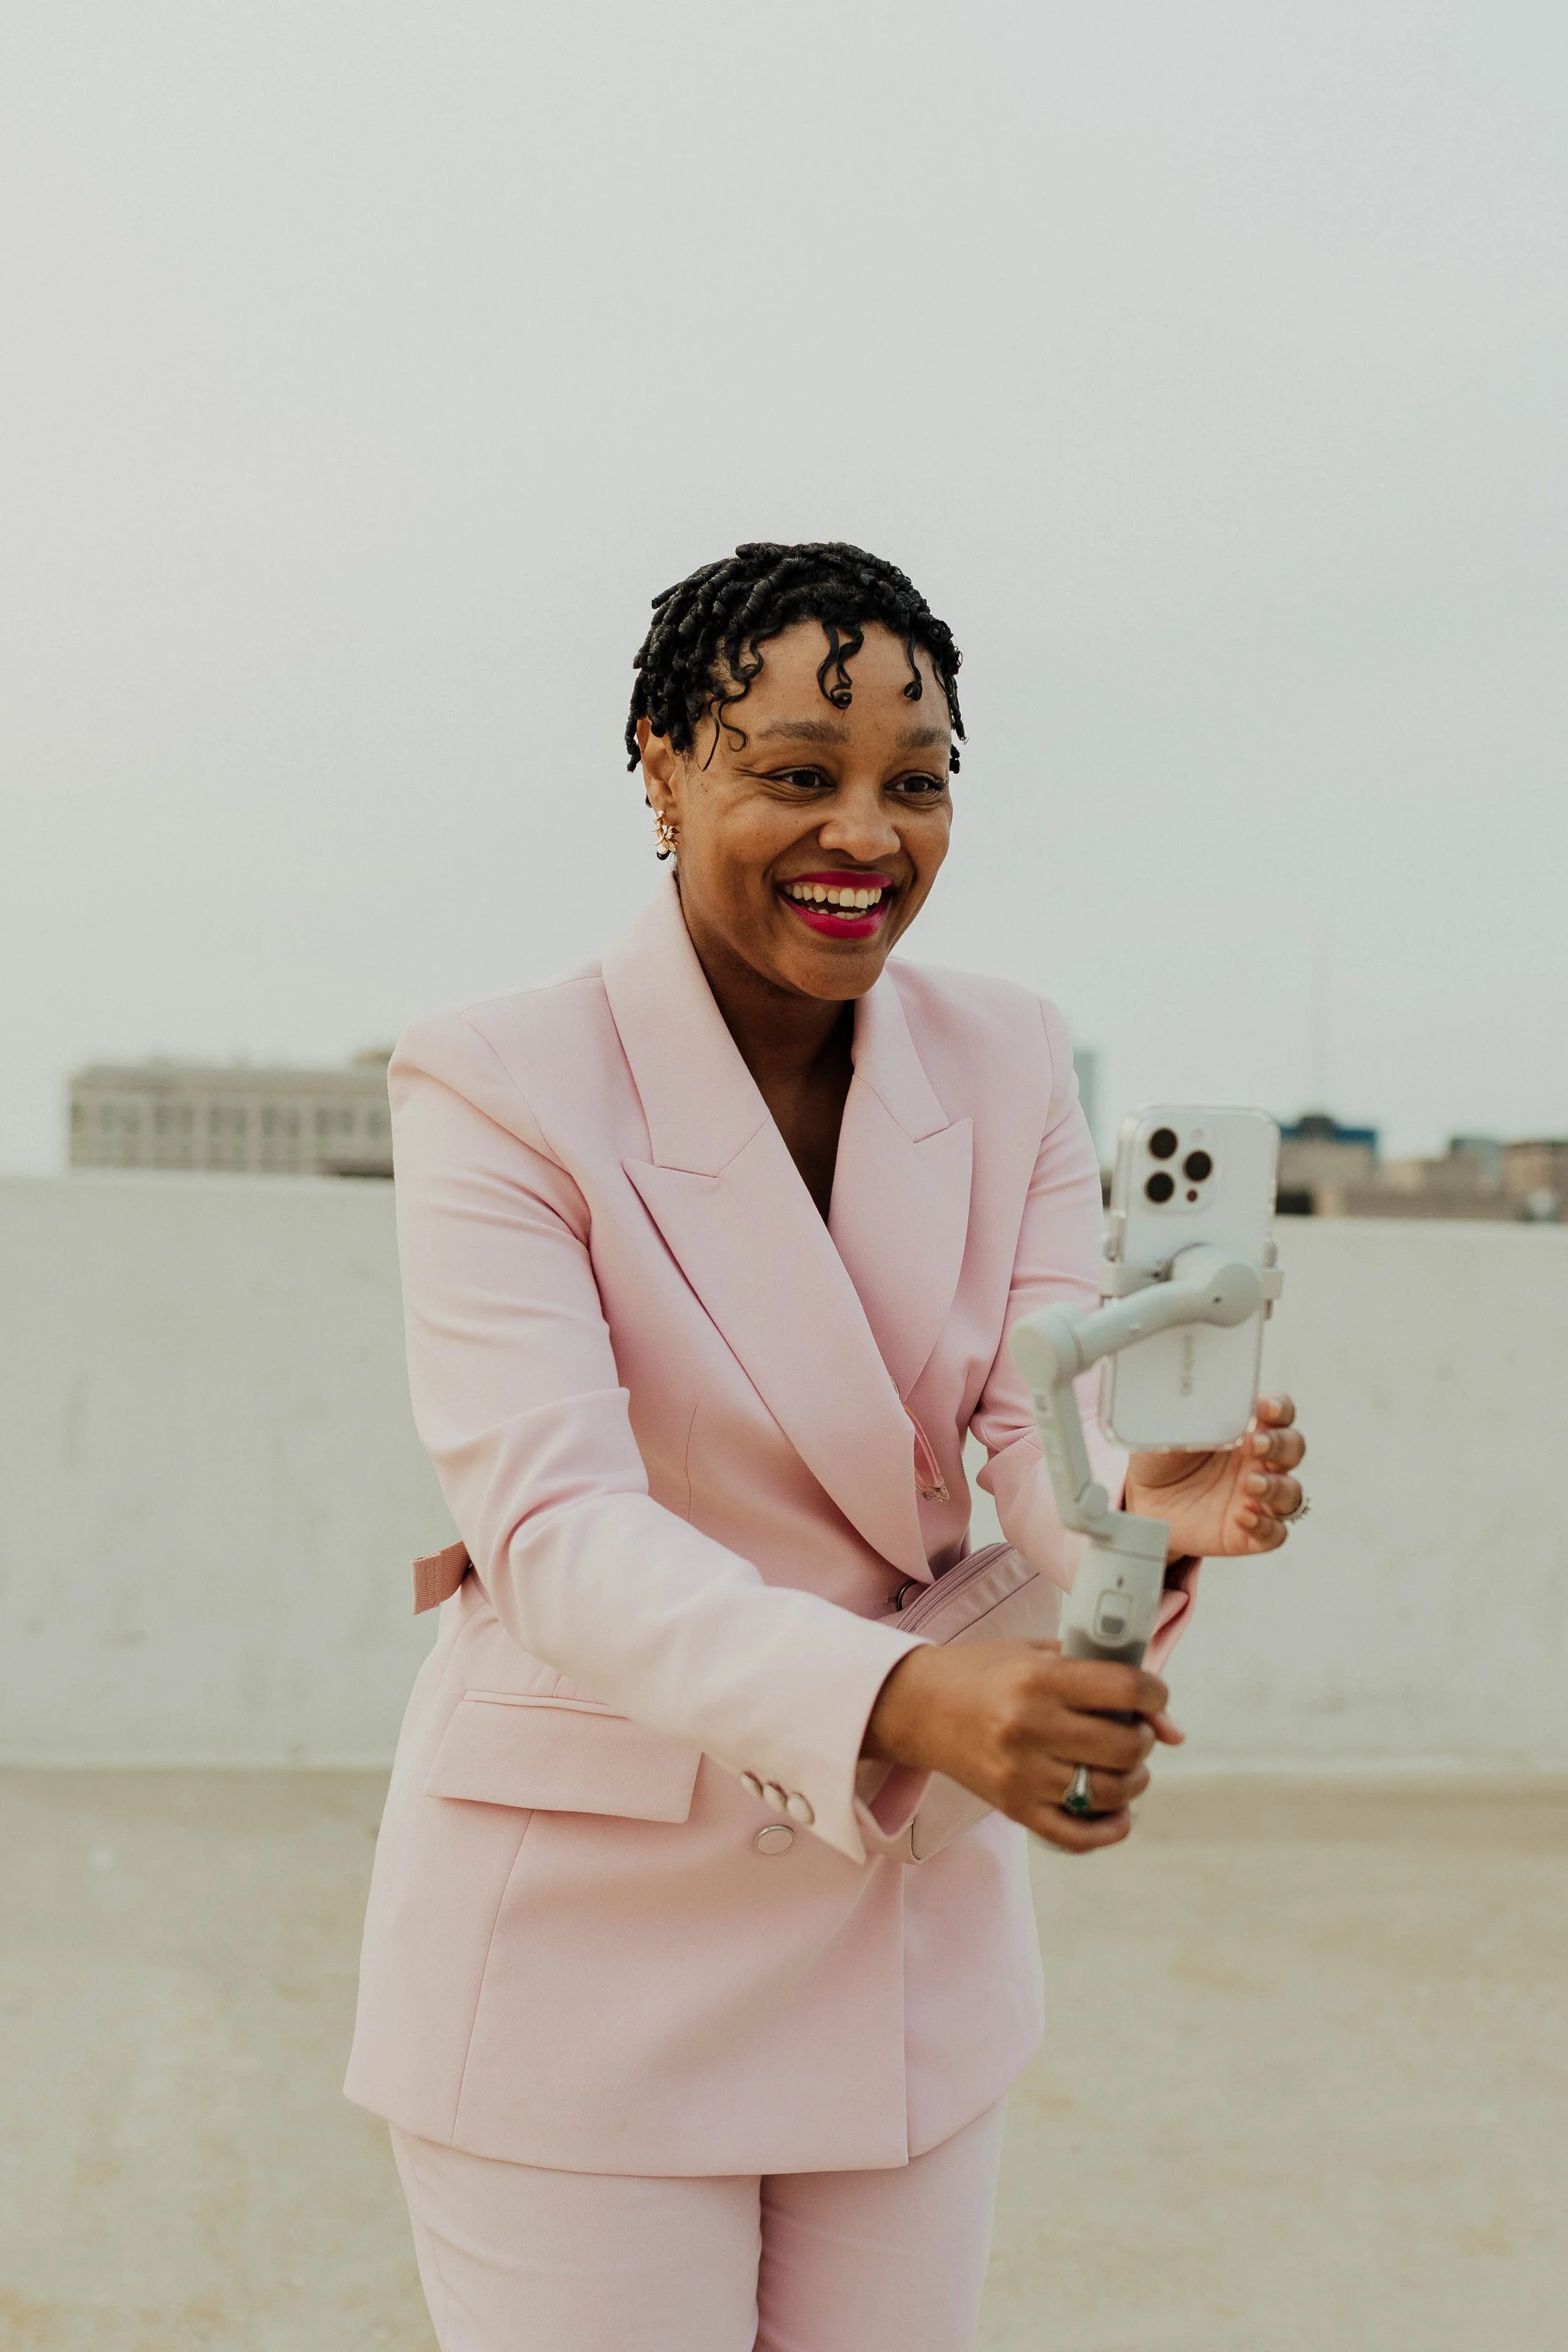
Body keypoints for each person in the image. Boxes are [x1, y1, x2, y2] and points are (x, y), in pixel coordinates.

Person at [345, 541, 1307, 2351]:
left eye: (915, 783)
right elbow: (554, 1526)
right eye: (797, 771)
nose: (864, 834)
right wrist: (908, 1699)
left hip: (902, 1941)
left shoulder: (1009, 1055)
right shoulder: (495, 1079)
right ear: (660, 766)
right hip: (588, 1937)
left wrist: (1145, 1509)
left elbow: (1027, 1412)